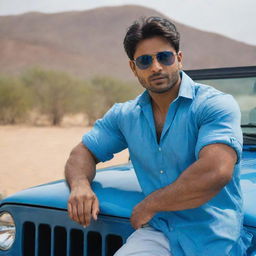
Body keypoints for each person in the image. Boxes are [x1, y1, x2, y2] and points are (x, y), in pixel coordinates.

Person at [65, 16, 252, 256]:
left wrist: (151, 204)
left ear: (179, 59)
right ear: (134, 68)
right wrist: (80, 185)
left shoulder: (214, 105)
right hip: (159, 231)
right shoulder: (125, 115)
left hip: (214, 236)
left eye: (164, 57)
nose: (156, 67)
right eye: (144, 61)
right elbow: (83, 151)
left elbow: (215, 171)